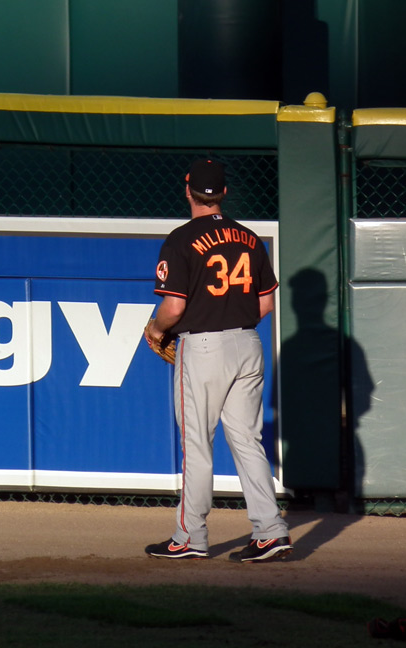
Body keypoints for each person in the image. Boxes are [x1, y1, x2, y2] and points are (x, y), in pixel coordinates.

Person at [143, 158, 292, 563]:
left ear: (187, 190)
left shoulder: (180, 239)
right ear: (224, 193)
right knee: (247, 440)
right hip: (247, 342)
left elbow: (173, 307)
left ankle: (190, 536)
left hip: (204, 348)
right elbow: (265, 303)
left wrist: (157, 331)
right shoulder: (248, 237)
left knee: (197, 445)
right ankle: (271, 530)